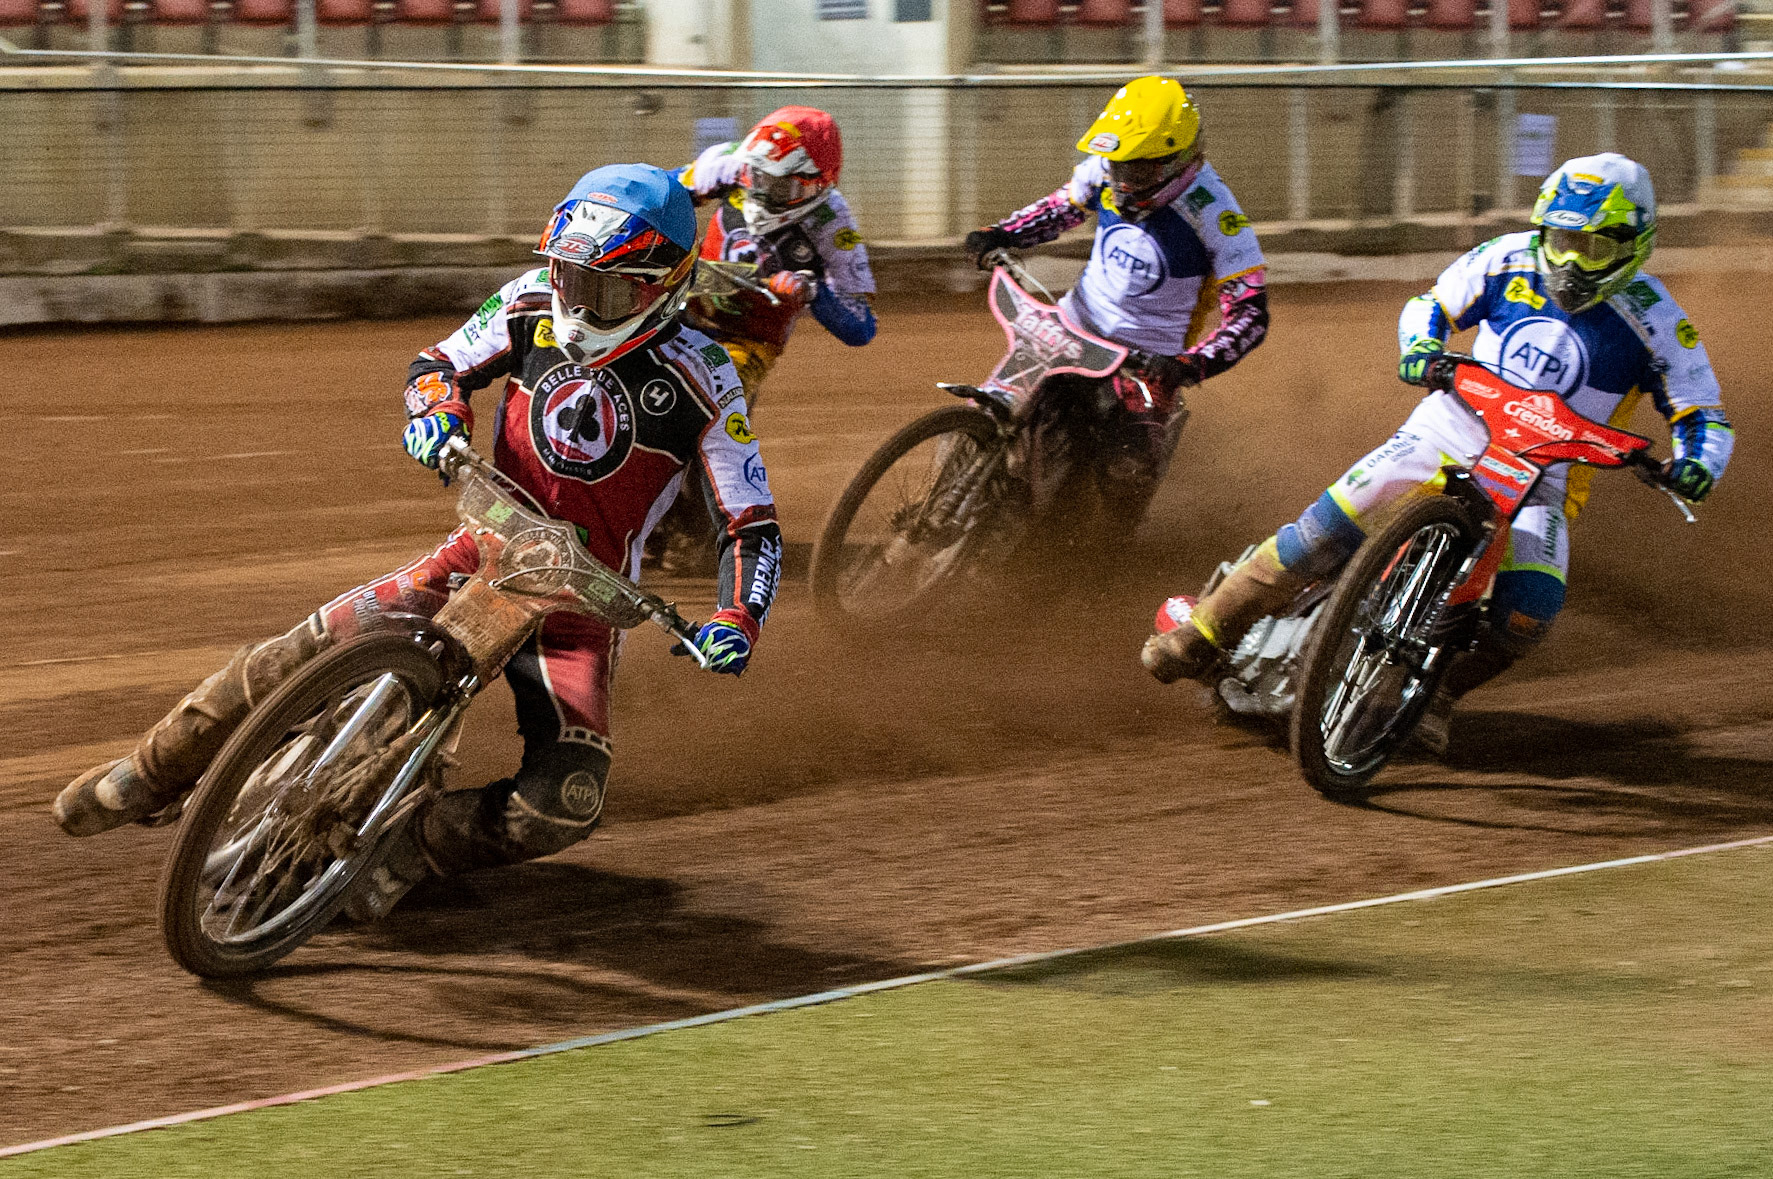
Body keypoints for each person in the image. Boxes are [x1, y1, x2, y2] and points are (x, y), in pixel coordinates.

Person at [53, 164, 784, 919]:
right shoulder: (528, 300)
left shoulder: (707, 377)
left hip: (579, 606)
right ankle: (149, 770)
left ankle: (409, 849)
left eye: (605, 288)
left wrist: (738, 618)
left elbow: (750, 525)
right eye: (569, 274)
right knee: (299, 650)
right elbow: (439, 363)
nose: (576, 299)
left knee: (564, 802)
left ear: (663, 283)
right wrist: (435, 412)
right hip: (479, 550)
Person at [1141, 153, 1734, 752]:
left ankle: (1436, 692)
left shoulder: (1659, 321)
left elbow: (1703, 414)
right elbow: (1431, 305)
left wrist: (1697, 465)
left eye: (1595, 249)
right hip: (1448, 429)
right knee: (1322, 530)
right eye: (1560, 238)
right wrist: (1422, 346)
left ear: (1635, 245)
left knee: (1528, 612)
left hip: (1545, 476)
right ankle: (1206, 632)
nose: (1571, 261)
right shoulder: (1507, 257)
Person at [962, 75, 1269, 531]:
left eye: (1139, 170)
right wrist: (1001, 233)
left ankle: (1110, 550)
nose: (1123, 182)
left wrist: (1189, 365)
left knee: (1126, 474)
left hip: (1145, 360)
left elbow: (1250, 314)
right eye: (1117, 167)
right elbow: (1062, 208)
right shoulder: (1111, 166)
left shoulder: (1216, 214)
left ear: (1180, 159)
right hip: (1070, 324)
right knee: (986, 411)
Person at [645, 106, 877, 570]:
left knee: (706, 410)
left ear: (816, 183)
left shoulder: (835, 227)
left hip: (750, 337)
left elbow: (861, 324)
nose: (761, 190)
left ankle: (700, 531)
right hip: (682, 303)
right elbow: (662, 193)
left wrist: (813, 292)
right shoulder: (734, 162)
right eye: (757, 176)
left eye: (779, 185)